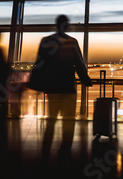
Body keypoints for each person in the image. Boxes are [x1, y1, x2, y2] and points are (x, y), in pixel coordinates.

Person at [38, 15, 92, 163]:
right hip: (68, 87)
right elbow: (79, 65)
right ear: (67, 26)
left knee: (51, 121)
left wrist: (40, 83)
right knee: (69, 122)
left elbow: (40, 64)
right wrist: (85, 80)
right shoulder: (72, 42)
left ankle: (45, 154)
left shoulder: (46, 41)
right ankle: (64, 154)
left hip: (53, 88)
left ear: (56, 25)